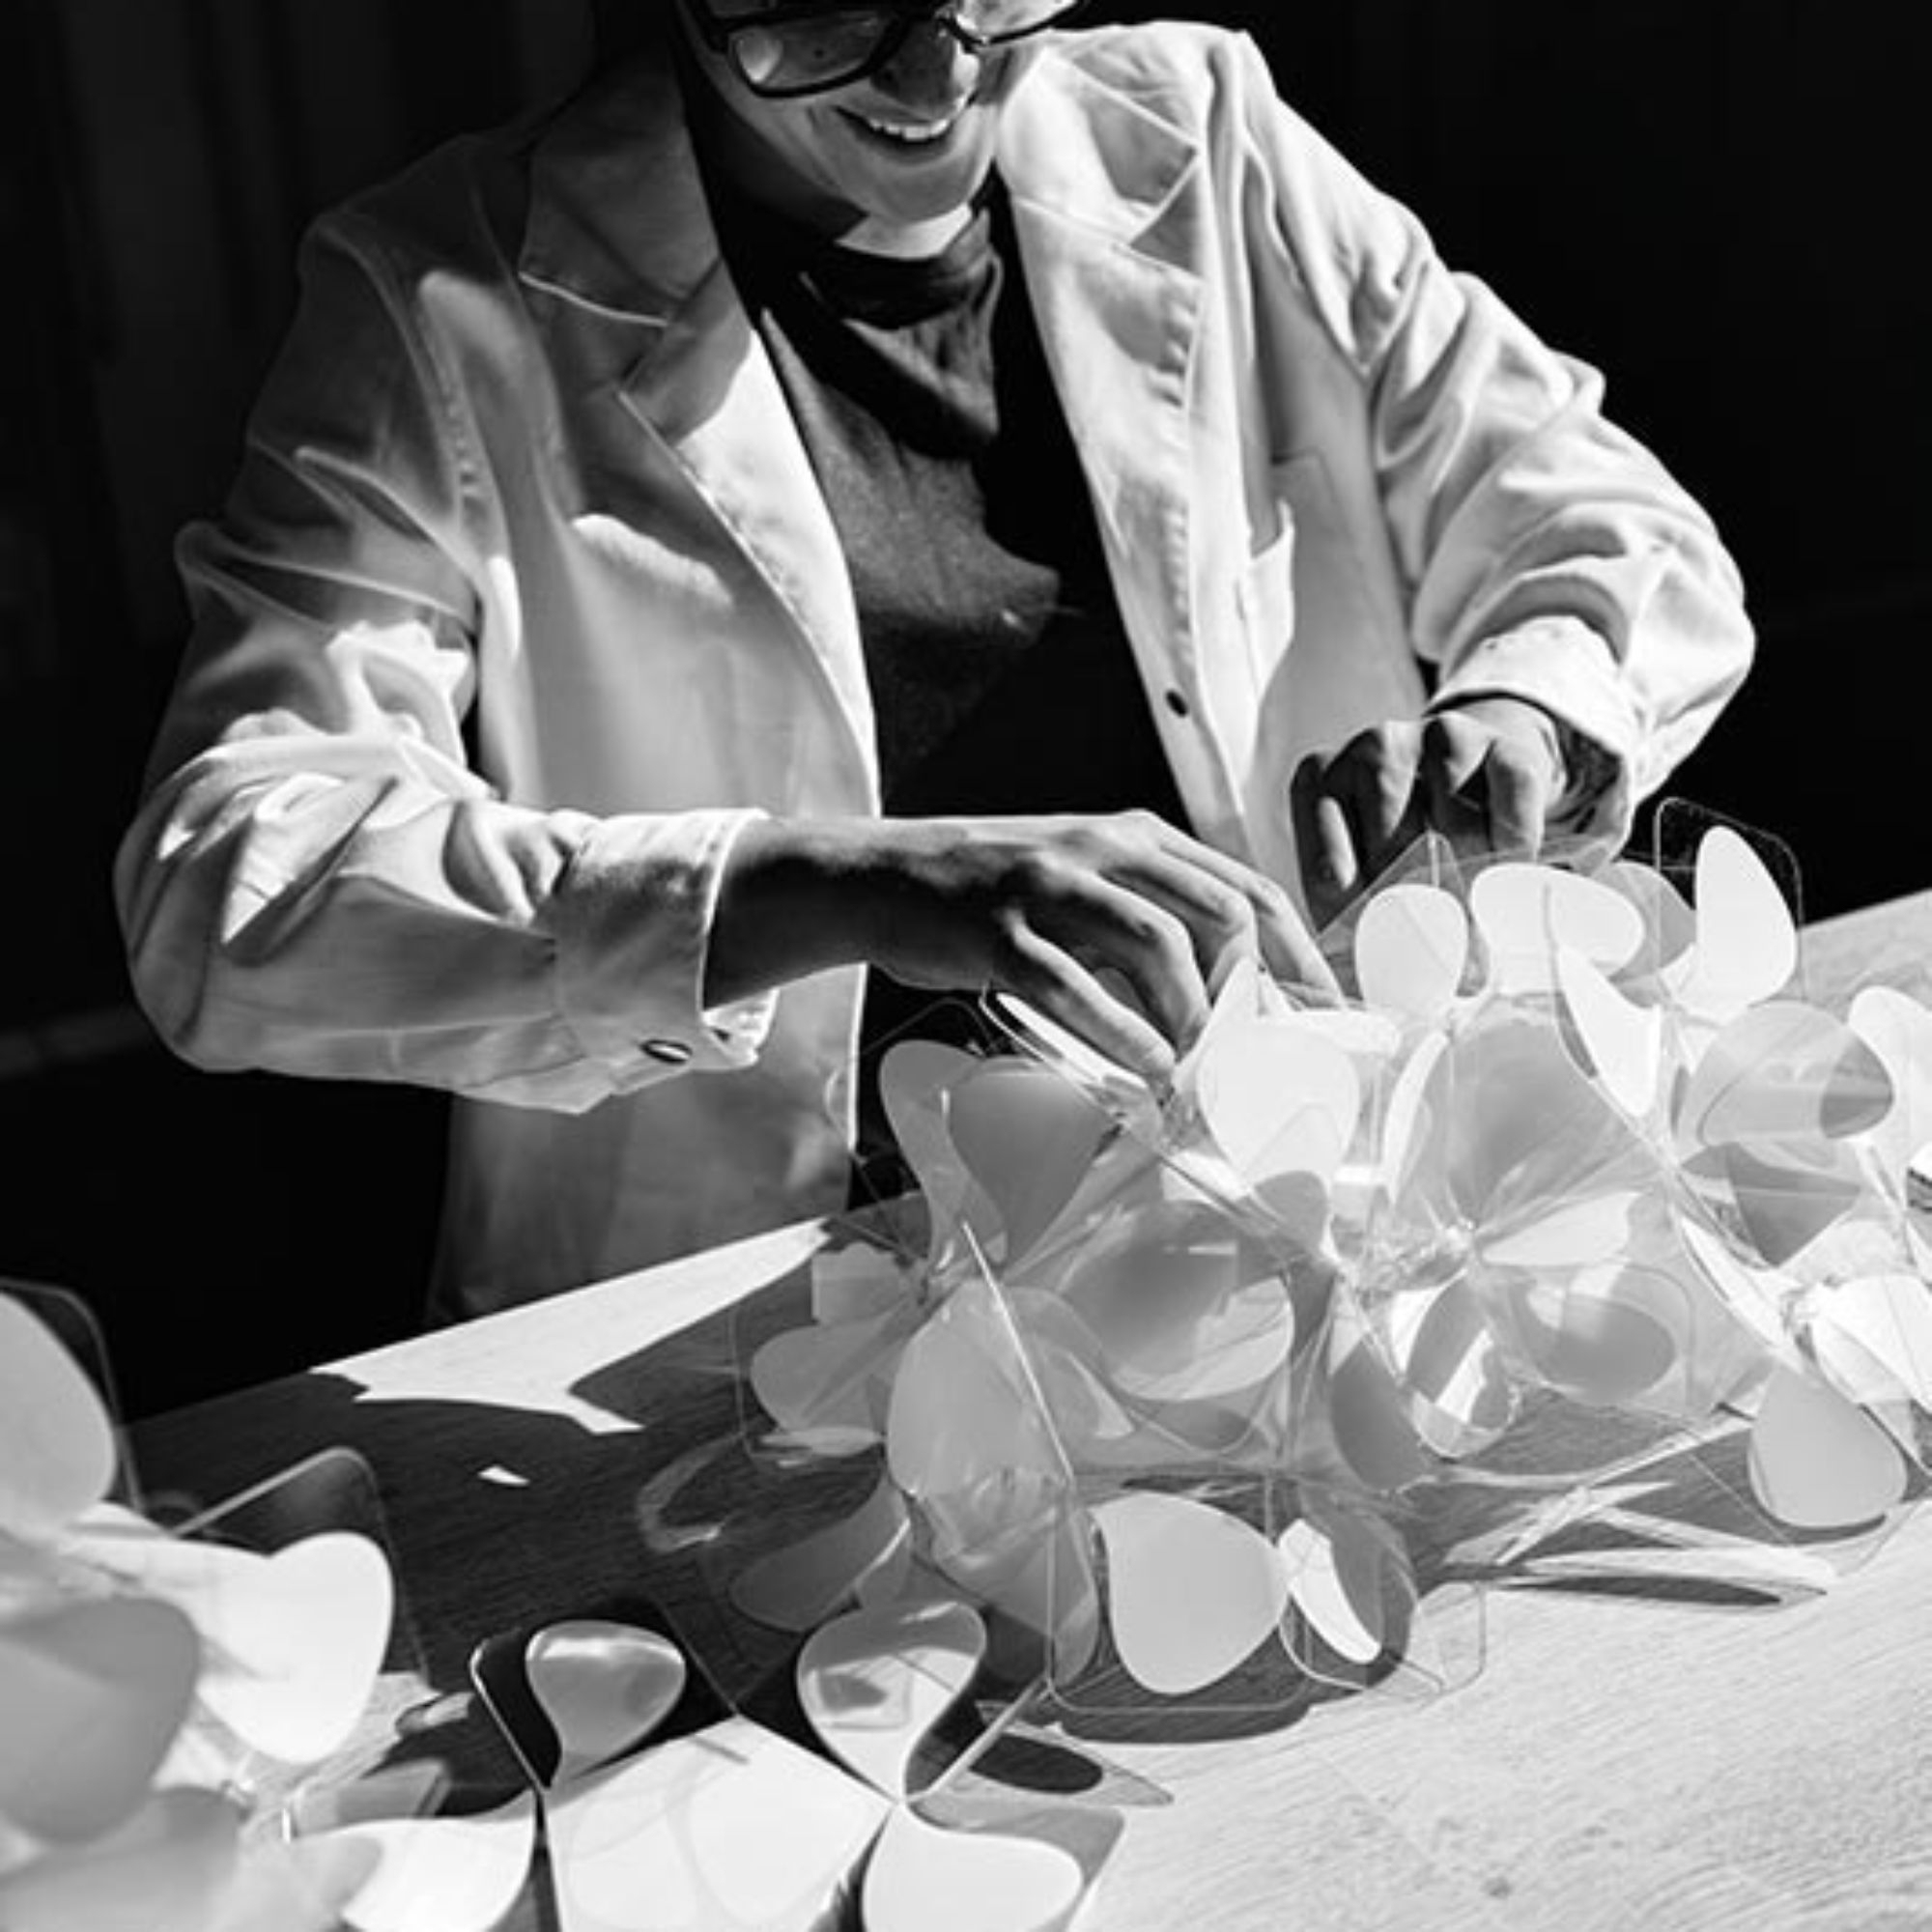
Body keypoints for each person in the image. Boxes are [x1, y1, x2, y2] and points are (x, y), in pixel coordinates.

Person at [114, 0, 1752, 1320]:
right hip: (747, 1329)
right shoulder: (439, 296)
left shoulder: (1201, 132)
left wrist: (1528, 698)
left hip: (1284, 1246)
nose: (937, 72)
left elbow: (1614, 530)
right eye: (837, 10)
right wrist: (835, 886)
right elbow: (227, 888)